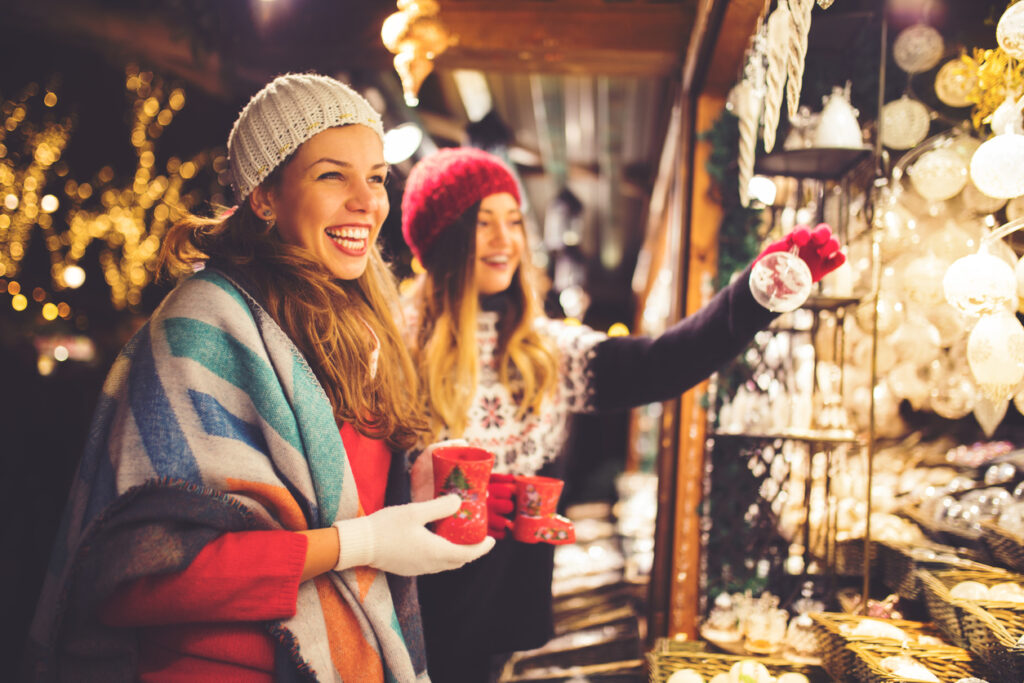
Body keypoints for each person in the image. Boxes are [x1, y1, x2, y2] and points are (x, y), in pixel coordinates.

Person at [25, 73, 493, 683]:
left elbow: (348, 500)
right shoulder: (202, 327)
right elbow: (138, 579)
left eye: (376, 177)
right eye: (332, 175)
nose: (367, 200)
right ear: (264, 196)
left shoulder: (359, 327)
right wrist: (364, 545)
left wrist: (419, 488)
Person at [399, 147, 845, 681]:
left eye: (514, 221)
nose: (505, 240)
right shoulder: (395, 350)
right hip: (407, 618)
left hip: (502, 626)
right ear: (440, 239)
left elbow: (659, 364)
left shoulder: (547, 351)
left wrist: (753, 295)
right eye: (482, 223)